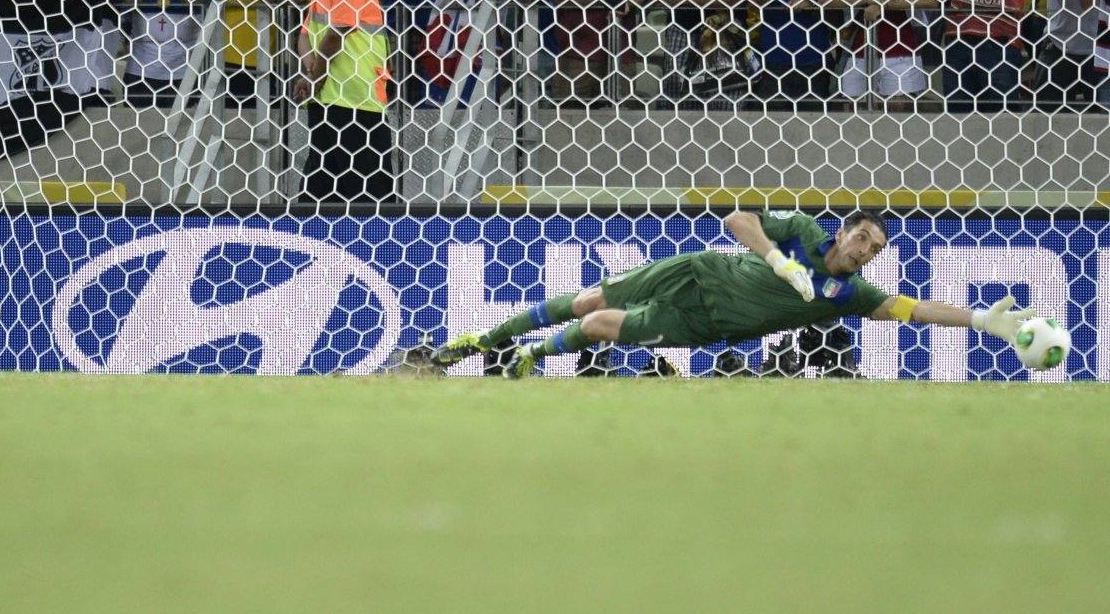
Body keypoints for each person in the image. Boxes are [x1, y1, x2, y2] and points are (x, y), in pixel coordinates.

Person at [430, 209, 1044, 379]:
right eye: (862, 237)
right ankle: (483, 340)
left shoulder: (848, 293)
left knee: (598, 329)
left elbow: (911, 310)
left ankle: (532, 358)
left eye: (874, 249)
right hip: (697, 273)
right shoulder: (803, 233)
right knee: (590, 302)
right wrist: (779, 262)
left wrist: (980, 320)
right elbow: (738, 221)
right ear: (845, 231)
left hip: (705, 327)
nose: (864, 250)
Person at [294, 0, 396, 205]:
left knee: (322, 192)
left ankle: (312, 245)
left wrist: (311, 72)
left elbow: (303, 36)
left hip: (327, 100)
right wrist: (317, 76)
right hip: (355, 99)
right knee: (374, 198)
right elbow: (337, 33)